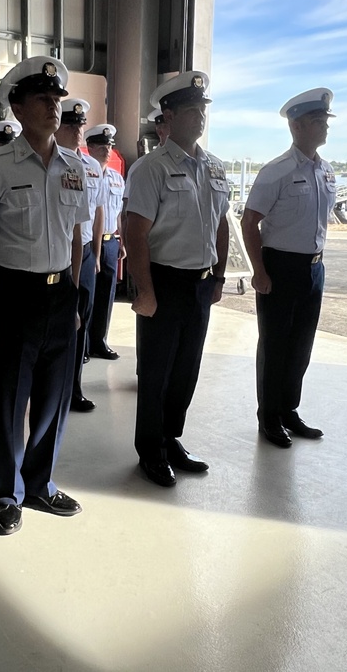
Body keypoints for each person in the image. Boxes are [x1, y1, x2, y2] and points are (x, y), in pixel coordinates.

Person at [0, 55, 86, 536]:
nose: (54, 107)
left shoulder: (75, 167)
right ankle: (8, 495)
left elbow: (76, 233)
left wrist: (73, 293)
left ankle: (39, 484)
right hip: (15, 293)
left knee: (54, 398)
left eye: (57, 99)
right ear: (16, 105)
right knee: (12, 399)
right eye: (42, 99)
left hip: (60, 295)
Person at [124, 70, 229, 487]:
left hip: (200, 284)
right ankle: (150, 449)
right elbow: (136, 232)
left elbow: (221, 223)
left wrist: (219, 276)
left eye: (202, 109)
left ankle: (171, 438)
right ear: (167, 116)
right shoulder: (151, 169)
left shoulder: (215, 167)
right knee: (156, 371)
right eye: (190, 110)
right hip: (164, 282)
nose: (200, 117)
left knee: (187, 369)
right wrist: (144, 291)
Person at [241, 89, 338, 448]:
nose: (325, 127)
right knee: (275, 344)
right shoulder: (277, 171)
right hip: (280, 266)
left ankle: (288, 410)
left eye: (326, 120)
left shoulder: (325, 171)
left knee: (301, 345)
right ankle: (269, 416)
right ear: (296, 126)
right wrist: (259, 271)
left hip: (314, 269)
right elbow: (250, 222)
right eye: (317, 121)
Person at [53, 98, 105, 411]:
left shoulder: (92, 167)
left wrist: (96, 254)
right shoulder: (50, 163)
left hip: (83, 252)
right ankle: (51, 388)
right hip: (56, 252)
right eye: (71, 125)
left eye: (80, 124)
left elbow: (98, 212)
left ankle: (73, 388)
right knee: (56, 322)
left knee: (81, 322)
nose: (78, 131)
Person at [85, 123, 125, 360]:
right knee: (86, 296)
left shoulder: (116, 177)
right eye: (101, 145)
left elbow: (118, 211)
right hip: (89, 243)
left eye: (109, 145)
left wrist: (122, 241)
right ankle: (84, 344)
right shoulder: (82, 172)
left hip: (111, 241)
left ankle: (100, 341)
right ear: (89, 147)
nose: (106, 150)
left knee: (106, 295)